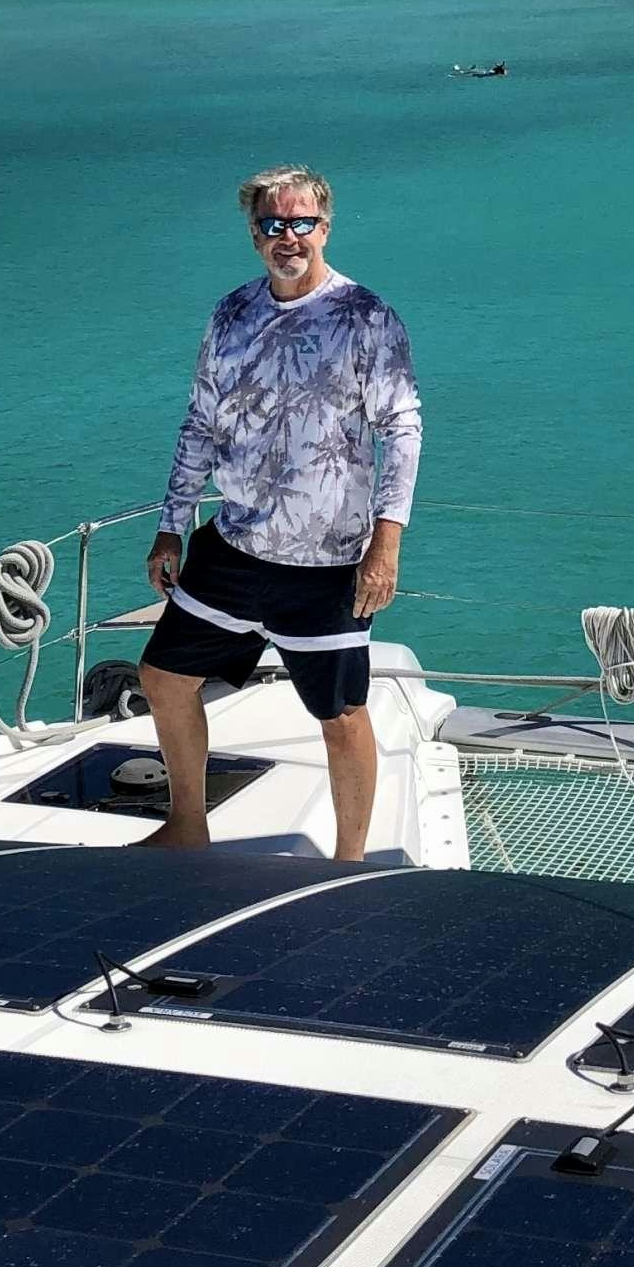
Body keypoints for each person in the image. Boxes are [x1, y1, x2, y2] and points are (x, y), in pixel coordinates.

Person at [139, 166, 421, 858]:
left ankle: (348, 860)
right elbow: (200, 421)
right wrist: (171, 524)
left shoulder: (365, 316)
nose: (287, 236)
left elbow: (403, 428)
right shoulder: (232, 313)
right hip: (235, 546)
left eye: (300, 223)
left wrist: (386, 545)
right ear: (254, 233)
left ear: (324, 227)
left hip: (328, 565)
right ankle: (188, 825)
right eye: (272, 224)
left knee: (341, 713)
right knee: (161, 677)